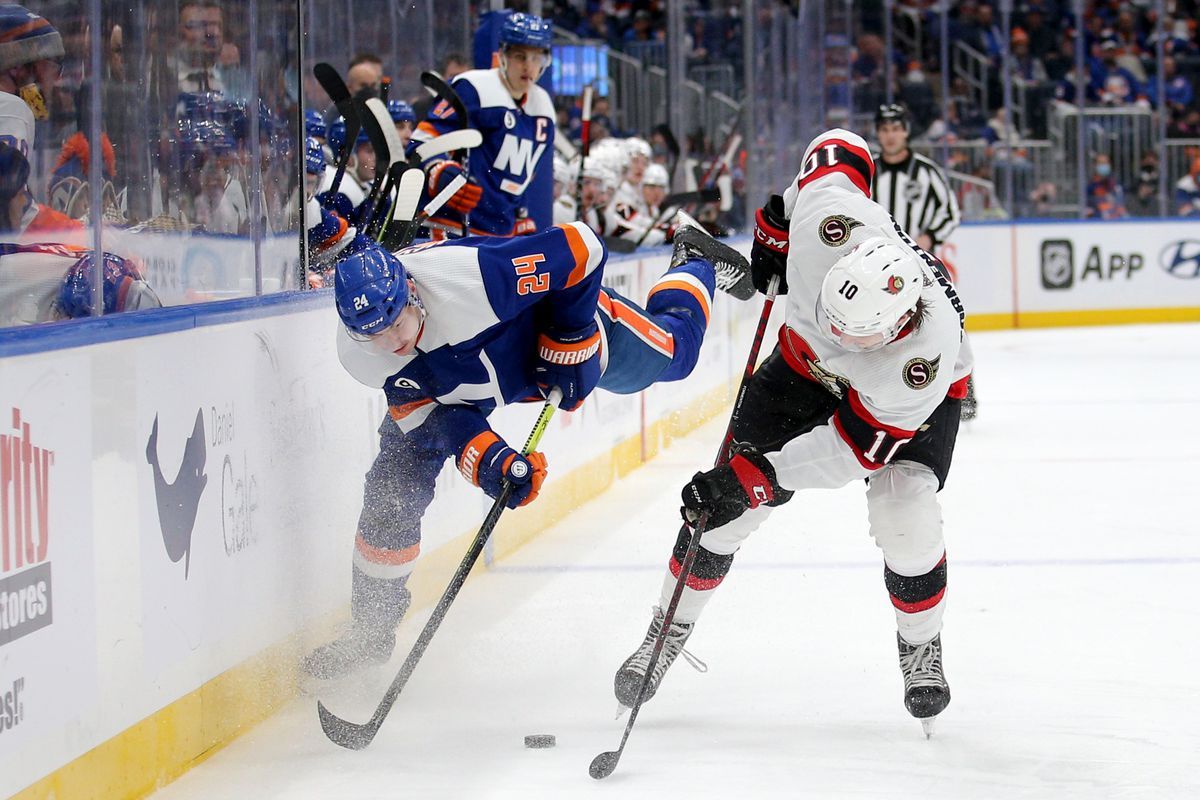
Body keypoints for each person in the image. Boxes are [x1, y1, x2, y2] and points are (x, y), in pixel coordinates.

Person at [612, 129, 973, 737]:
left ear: (900, 323)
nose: (839, 333)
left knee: (905, 515)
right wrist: (774, 232)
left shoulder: (919, 363)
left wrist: (755, 478)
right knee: (720, 517)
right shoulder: (832, 223)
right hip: (801, 368)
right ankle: (666, 630)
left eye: (853, 334)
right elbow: (836, 150)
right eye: (832, 314)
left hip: (897, 411)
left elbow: (851, 449)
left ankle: (920, 645)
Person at [302, 215, 757, 679]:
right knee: (391, 490)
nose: (391, 343)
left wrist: (570, 336)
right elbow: (429, 419)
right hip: (457, 384)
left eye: (396, 322)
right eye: (372, 334)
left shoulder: (474, 276)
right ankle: (370, 631)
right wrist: (492, 462)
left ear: (411, 292)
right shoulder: (360, 353)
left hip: (543, 337)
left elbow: (582, 248)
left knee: (676, 353)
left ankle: (695, 260)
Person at [408, 12, 555, 237]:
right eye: (520, 56)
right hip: (449, 228)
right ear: (503, 55)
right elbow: (421, 143)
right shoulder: (472, 87)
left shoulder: (543, 107)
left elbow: (521, 177)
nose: (528, 66)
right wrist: (439, 172)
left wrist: (520, 215)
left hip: (499, 234)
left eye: (536, 58)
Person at [871, 104, 974, 420]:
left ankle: (965, 390)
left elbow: (950, 212)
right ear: (878, 133)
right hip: (877, 267)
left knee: (947, 320)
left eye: (896, 129)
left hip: (922, 266)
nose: (890, 136)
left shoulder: (927, 172)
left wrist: (929, 236)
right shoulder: (868, 173)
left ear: (906, 132)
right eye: (885, 129)